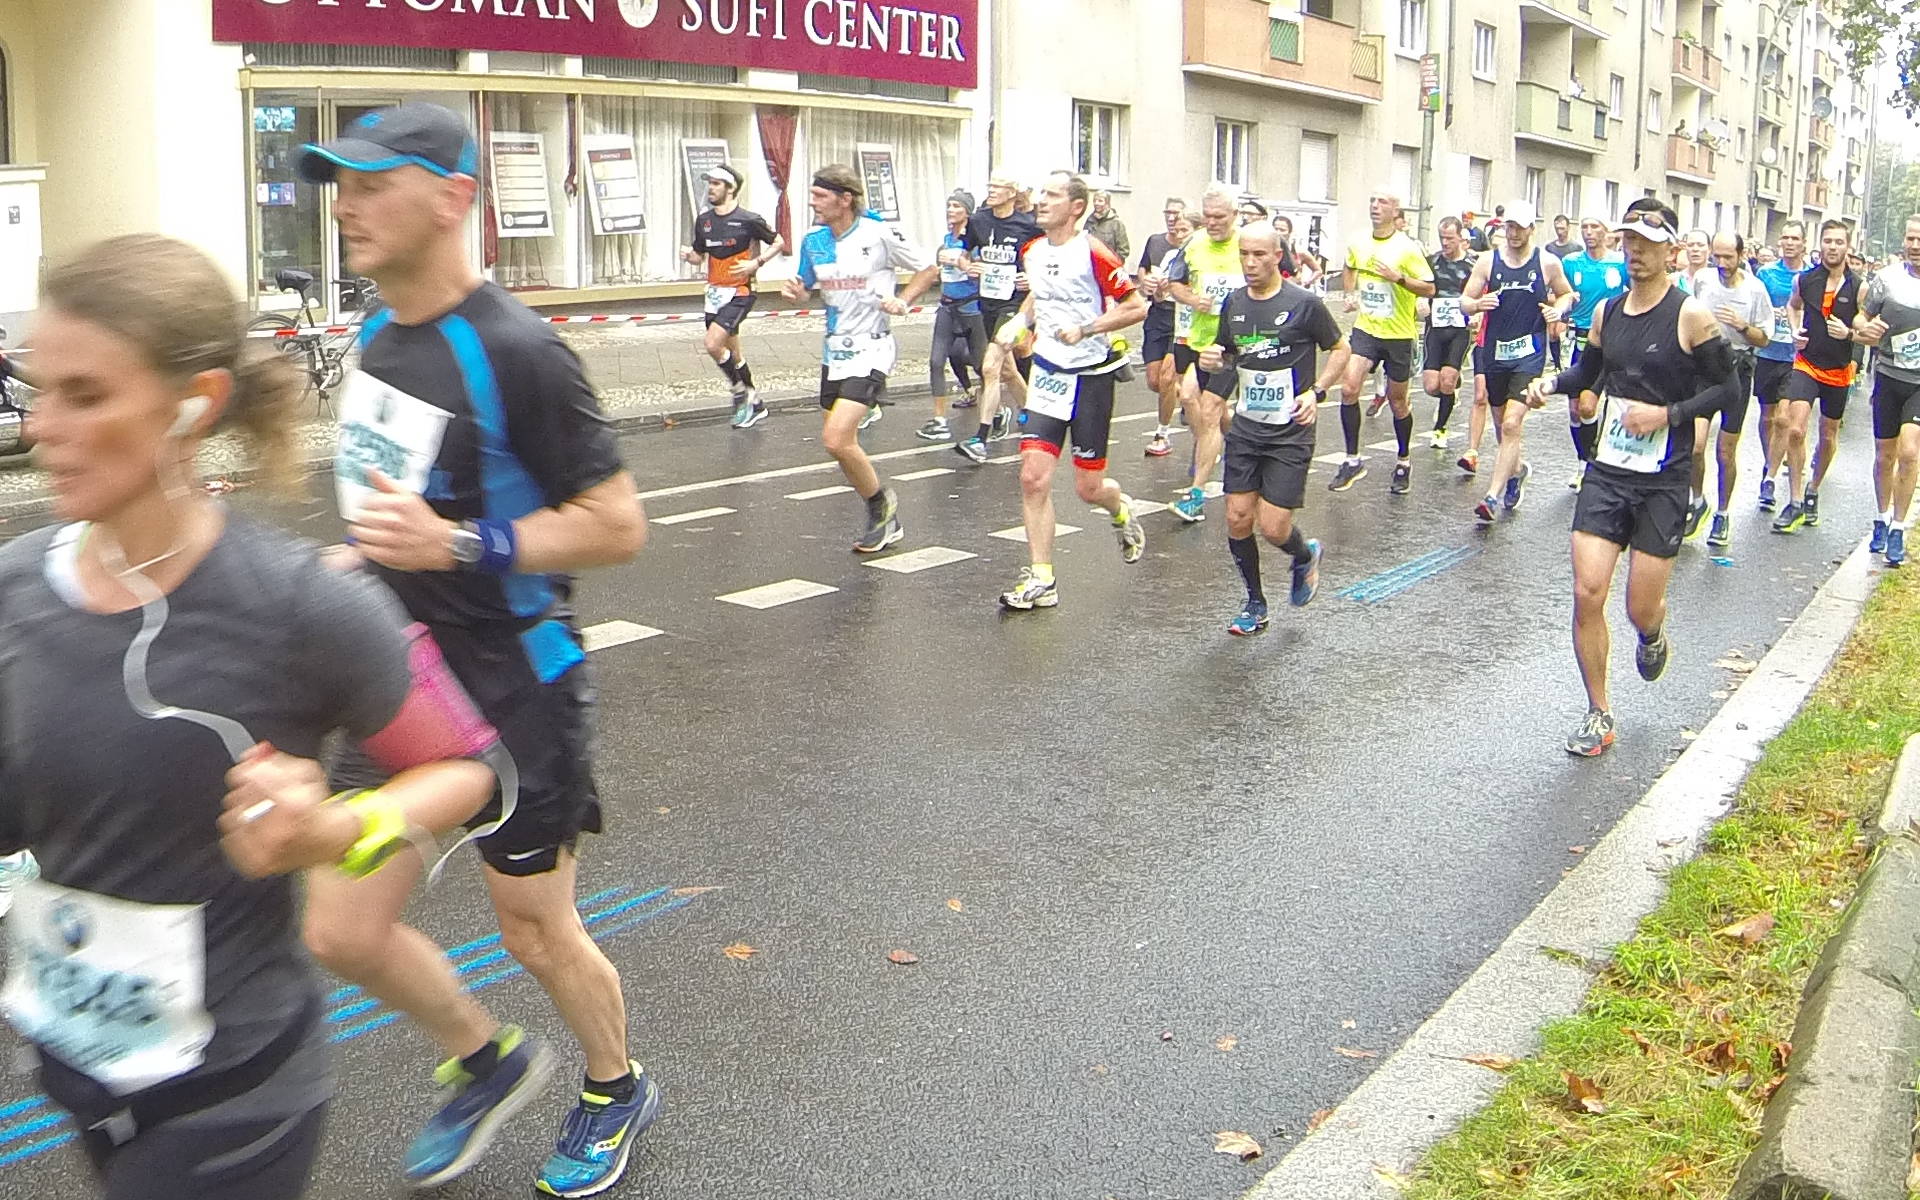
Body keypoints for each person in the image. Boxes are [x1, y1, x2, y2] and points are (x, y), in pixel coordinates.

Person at [0, 232, 501, 1200]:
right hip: (77, 1075)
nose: (40, 428)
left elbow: (466, 767)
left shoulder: (299, 603)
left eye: (86, 395)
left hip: (234, 1100)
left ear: (196, 404)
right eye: (38, 388)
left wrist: (334, 832)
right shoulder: (15, 586)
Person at [295, 103, 658, 1197]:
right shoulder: (377, 335)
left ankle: (615, 1087)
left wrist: (460, 544)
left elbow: (617, 525)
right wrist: (355, 564)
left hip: (516, 690)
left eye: (372, 184)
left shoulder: (517, 351)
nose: (346, 206)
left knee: (534, 929)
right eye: (339, 185)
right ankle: (485, 1058)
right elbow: (397, 508)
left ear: (454, 198)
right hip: (401, 681)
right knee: (341, 927)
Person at [1531, 202, 1738, 756]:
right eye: (1629, 240)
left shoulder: (1691, 316)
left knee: (1638, 607)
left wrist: (1668, 415)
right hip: (1608, 471)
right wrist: (1550, 385)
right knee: (1587, 591)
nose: (1636, 251)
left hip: (1663, 478)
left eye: (1647, 242)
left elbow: (1728, 390)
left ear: (1672, 250)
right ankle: (1599, 712)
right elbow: (1588, 372)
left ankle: (1652, 631)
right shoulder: (1607, 312)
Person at [994, 171, 1148, 611]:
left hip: (1090, 378)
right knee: (1032, 477)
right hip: (1047, 374)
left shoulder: (1094, 252)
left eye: (1052, 195)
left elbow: (1136, 306)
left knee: (1088, 487)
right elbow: (1041, 295)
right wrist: (1020, 321)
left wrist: (1087, 328)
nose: (1041, 201)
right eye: (1041, 193)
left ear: (1076, 207)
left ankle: (1120, 509)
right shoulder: (1033, 251)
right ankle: (1042, 577)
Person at [781, 164, 939, 551]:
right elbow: (806, 286)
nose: (813, 202)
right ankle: (883, 511)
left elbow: (928, 268)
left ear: (845, 199)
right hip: (835, 350)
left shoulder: (878, 232)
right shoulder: (814, 240)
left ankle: (881, 507)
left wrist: (903, 300)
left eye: (820, 196)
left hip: (873, 346)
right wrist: (797, 293)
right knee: (840, 445)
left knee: (835, 438)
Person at [1199, 222, 1347, 634]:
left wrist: (1316, 393)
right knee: (1237, 517)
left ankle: (1303, 554)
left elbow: (1340, 349)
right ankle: (1255, 602)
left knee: (1273, 527)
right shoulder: (1234, 302)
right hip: (1247, 426)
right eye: (1243, 254)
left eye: (1259, 255)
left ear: (1278, 256)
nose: (1249, 263)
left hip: (1290, 430)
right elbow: (1230, 354)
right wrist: (1213, 360)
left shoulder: (1304, 304)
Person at [1461, 200, 1573, 521]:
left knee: (1512, 423)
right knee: (1502, 426)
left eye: (1519, 228)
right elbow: (1464, 300)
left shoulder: (1547, 262)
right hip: (1495, 353)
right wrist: (1477, 305)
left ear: (1531, 229)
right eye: (1509, 227)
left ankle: (1491, 497)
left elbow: (1566, 294)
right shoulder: (1488, 261)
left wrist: (1558, 311)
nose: (1513, 233)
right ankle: (1517, 470)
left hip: (1529, 355)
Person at [1332, 190, 1436, 495]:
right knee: (1349, 387)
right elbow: (1349, 265)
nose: (1375, 206)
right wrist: (1350, 293)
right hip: (1367, 329)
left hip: (1399, 335)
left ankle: (1403, 460)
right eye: (1372, 201)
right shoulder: (1359, 241)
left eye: (1383, 202)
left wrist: (1398, 278)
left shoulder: (1407, 249)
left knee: (1397, 401)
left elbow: (1429, 288)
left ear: (1396, 211)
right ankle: (1352, 460)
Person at [1770, 220, 1862, 533]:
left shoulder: (1858, 286)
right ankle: (1795, 501)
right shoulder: (1805, 280)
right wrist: (1795, 330)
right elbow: (1793, 306)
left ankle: (1813, 489)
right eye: (1828, 241)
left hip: (1838, 369)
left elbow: (1865, 328)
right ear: (1819, 244)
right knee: (1795, 429)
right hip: (1806, 363)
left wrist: (1849, 333)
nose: (1832, 247)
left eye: (1839, 242)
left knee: (1828, 435)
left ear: (1847, 246)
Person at [1684, 232, 1774, 547]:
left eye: (1728, 257)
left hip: (1737, 371)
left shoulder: (1755, 289)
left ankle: (1722, 513)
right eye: (1717, 257)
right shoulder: (1703, 280)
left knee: (1725, 451)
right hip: (1705, 367)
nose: (1722, 263)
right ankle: (1698, 502)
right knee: (1695, 446)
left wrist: (1742, 326)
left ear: (1741, 255)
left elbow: (1764, 339)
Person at [681, 163, 784, 430]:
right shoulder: (704, 221)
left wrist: (756, 263)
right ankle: (756, 403)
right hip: (714, 293)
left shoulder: (749, 220)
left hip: (741, 291)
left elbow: (779, 242)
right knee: (734, 355)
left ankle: (740, 393)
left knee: (712, 344)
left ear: (731, 188)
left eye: (716, 184)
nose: (710, 188)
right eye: (709, 183)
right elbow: (699, 256)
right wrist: (689, 256)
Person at [1166, 187, 1244, 523]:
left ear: (1234, 216)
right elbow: (1175, 283)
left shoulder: (1248, 244)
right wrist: (1192, 299)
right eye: (1208, 216)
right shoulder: (1194, 244)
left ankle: (1196, 496)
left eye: (1219, 217)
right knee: (1188, 397)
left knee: (1211, 410)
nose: (1212, 223)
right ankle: (1229, 445)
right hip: (1200, 340)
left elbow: (1282, 281)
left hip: (1236, 344)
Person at [954, 174, 1042, 464]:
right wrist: (968, 266)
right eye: (989, 186)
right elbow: (963, 254)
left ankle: (980, 439)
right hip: (988, 303)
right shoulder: (979, 220)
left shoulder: (1028, 225)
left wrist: (1032, 278)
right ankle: (1036, 417)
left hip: (1015, 306)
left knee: (990, 366)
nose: (991, 191)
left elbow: (1046, 260)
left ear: (1012, 192)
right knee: (1007, 371)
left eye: (997, 187)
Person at [1851, 215, 1920, 567]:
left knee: (1909, 451)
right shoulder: (1887, 279)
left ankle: (1898, 527)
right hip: (1889, 376)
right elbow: (1860, 318)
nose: (1915, 246)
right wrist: (1867, 328)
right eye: (1910, 239)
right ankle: (1881, 518)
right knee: (1884, 455)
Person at [1558, 216, 1629, 488]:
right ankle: (1583, 461)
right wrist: (1560, 313)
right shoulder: (1571, 263)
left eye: (1595, 227)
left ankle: (1596, 462)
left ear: (1606, 231)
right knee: (1576, 409)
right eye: (1584, 227)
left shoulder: (1619, 264)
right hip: (1578, 341)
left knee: (1592, 405)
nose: (1589, 232)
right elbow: (1559, 295)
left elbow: (1637, 295)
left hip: (1610, 341)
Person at [1753, 220, 1811, 507]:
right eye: (1785, 238)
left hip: (1796, 357)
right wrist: (1769, 314)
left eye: (1794, 239)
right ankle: (1770, 463)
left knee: (1784, 419)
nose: (1789, 243)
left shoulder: (1810, 275)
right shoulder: (1766, 273)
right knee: (1767, 417)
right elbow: (1756, 305)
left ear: (1803, 244)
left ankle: (1771, 477)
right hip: (1768, 352)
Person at [922, 189, 986, 442]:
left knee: (982, 366)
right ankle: (939, 420)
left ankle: (996, 410)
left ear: (967, 212)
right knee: (936, 361)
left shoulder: (976, 242)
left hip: (971, 309)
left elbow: (983, 275)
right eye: (949, 205)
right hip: (947, 307)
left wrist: (964, 265)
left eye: (957, 206)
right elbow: (942, 274)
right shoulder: (946, 241)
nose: (951, 210)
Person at [1136, 199, 1192, 457]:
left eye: (1182, 226)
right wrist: (1148, 285)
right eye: (1168, 214)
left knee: (1168, 378)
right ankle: (1188, 395)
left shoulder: (1198, 253)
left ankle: (1162, 434)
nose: (1177, 231)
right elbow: (1144, 271)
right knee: (1155, 381)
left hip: (1183, 319)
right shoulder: (1157, 243)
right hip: (1159, 317)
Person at [1422, 216, 1476, 449]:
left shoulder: (1472, 266)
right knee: (1431, 386)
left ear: (1460, 238)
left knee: (1447, 380)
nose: (1445, 243)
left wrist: (1477, 313)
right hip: (1435, 328)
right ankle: (1450, 393)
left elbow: (1484, 292)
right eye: (1442, 238)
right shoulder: (1431, 262)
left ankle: (1440, 429)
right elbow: (1420, 286)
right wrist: (1420, 301)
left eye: (1450, 238)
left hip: (1460, 330)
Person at [1275, 214, 1323, 289]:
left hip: (1293, 290)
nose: (1278, 233)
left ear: (1289, 232)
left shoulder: (1299, 252)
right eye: (1275, 229)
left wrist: (1308, 282)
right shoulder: (1267, 250)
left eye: (1282, 230)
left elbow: (1318, 270)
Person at [1085, 188, 1130, 264]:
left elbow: (1123, 251)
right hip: (1091, 265)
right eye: (1095, 200)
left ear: (1107, 203)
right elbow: (1084, 243)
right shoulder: (1090, 221)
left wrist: (1112, 264)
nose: (1096, 203)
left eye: (1100, 201)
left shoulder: (1116, 223)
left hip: (1109, 266)